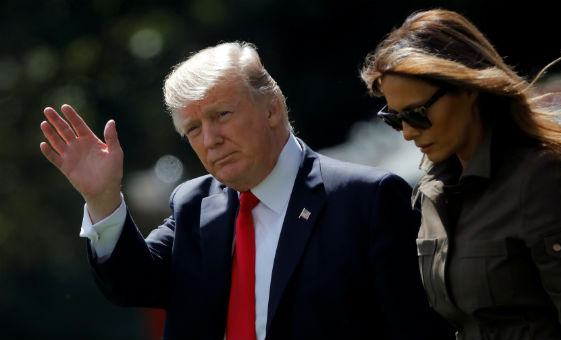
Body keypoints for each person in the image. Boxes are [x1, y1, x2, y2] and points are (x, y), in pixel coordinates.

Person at [40, 41, 453, 339]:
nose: (210, 139)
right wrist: (102, 198)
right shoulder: (193, 205)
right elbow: (132, 284)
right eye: (194, 129)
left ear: (272, 108)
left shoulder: (367, 198)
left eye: (221, 115)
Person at [360, 9, 561, 340]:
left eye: (417, 114)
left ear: (469, 88)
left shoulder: (541, 179)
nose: (407, 132)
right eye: (394, 119)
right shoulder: (429, 195)